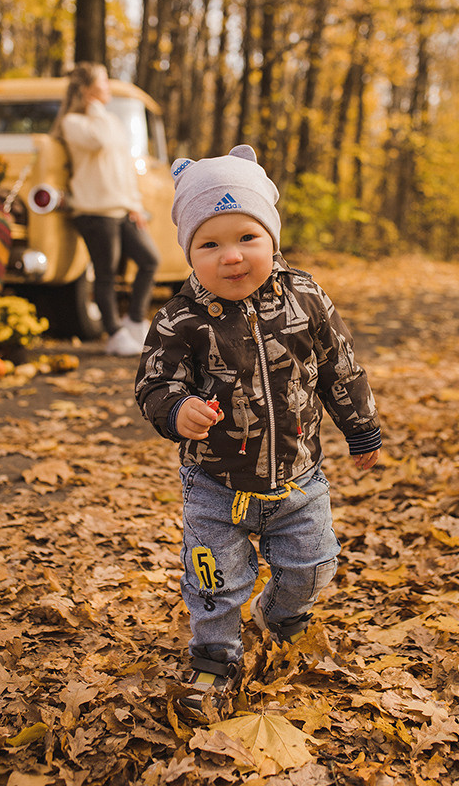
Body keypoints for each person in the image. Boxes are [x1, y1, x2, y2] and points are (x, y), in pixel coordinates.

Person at [135, 145, 381, 719]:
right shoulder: (179, 319)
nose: (232, 257)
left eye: (247, 237)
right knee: (215, 581)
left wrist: (361, 427)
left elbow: (340, 365)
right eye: (209, 244)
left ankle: (282, 615)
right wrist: (177, 409)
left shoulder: (306, 298)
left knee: (313, 566)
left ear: (272, 236)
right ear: (189, 252)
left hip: (299, 480)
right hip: (214, 486)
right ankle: (214, 658)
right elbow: (154, 383)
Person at [52, 62, 159, 356]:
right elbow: (98, 141)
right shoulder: (73, 123)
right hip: (94, 211)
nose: (109, 86)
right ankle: (114, 334)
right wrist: (94, 108)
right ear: (87, 89)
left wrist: (135, 204)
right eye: (103, 82)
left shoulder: (110, 120)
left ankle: (134, 321)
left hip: (122, 208)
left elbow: (124, 168)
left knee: (149, 260)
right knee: (105, 274)